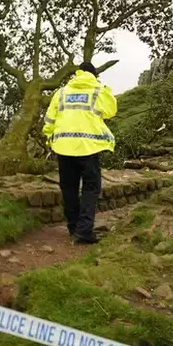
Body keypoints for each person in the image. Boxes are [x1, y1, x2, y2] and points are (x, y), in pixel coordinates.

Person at [42, 61, 117, 244]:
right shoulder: (98, 90)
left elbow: (49, 120)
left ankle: (73, 227)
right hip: (88, 147)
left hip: (63, 146)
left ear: (77, 73)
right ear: (94, 75)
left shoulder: (61, 93)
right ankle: (83, 231)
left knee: (69, 188)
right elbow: (111, 111)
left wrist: (49, 139)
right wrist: (103, 87)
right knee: (91, 188)